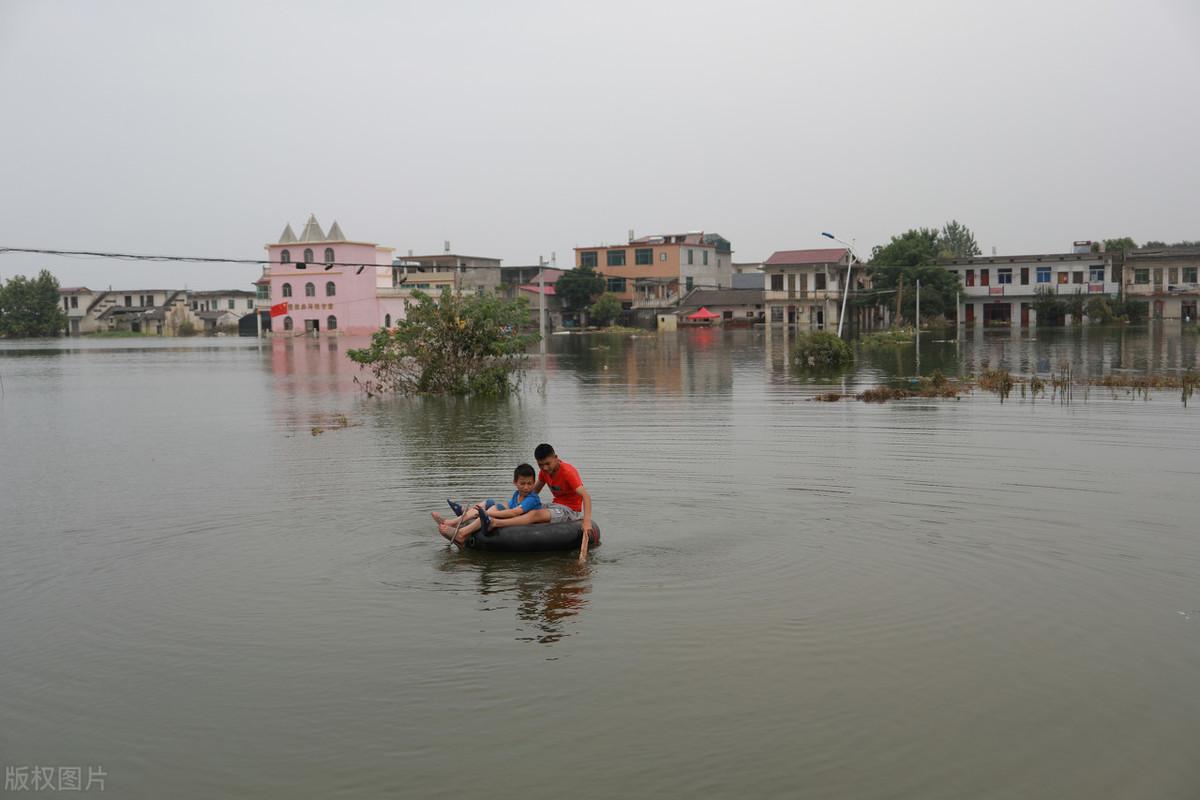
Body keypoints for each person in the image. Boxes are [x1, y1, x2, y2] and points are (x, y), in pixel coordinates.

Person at [481, 443, 595, 560]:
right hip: (554, 505)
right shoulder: (544, 472)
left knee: (534, 514)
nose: (545, 468)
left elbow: (586, 496)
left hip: (570, 510)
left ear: (555, 458)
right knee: (523, 507)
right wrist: (518, 506)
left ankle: (495, 523)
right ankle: (485, 515)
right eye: (541, 465)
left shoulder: (568, 472)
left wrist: (587, 522)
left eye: (547, 464)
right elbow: (533, 492)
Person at [435, 464, 543, 546]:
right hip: (513, 515)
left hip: (520, 521)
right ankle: (454, 521)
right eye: (522, 483)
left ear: (534, 483)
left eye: (529, 483)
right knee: (490, 502)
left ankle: (462, 534)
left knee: (489, 514)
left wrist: (487, 513)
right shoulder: (517, 494)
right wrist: (491, 507)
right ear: (515, 482)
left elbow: (515, 512)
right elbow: (509, 506)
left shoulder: (532, 498)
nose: (526, 487)